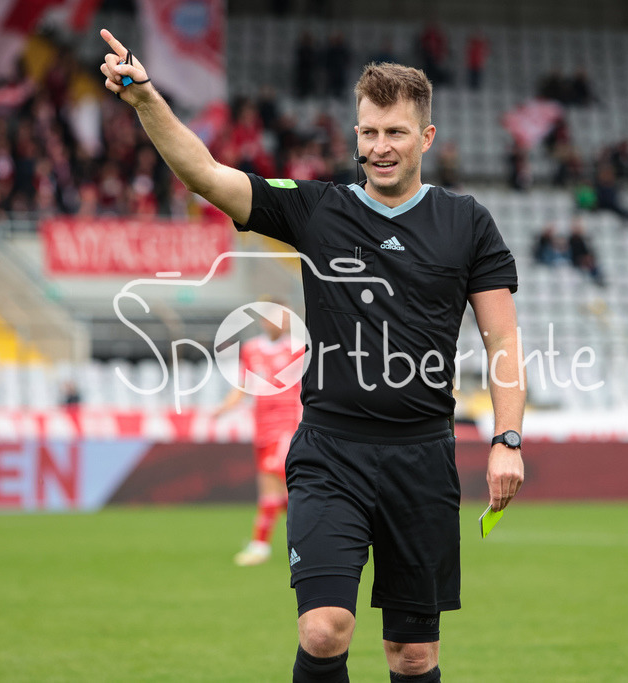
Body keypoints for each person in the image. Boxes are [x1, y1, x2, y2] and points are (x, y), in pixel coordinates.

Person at [100, 30, 525, 682]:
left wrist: (508, 437)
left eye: (396, 133)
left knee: (412, 655)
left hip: (423, 459)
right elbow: (206, 175)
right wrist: (147, 99)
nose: (380, 147)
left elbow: (503, 342)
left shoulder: (467, 223)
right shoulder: (317, 209)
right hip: (332, 453)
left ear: (427, 138)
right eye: (369, 132)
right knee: (325, 628)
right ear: (355, 134)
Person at [214, 299, 303, 566]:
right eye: (277, 318)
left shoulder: (299, 349)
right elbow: (244, 385)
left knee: (277, 478)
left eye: (286, 318)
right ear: (264, 321)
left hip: (288, 424)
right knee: (276, 488)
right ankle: (287, 540)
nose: (283, 323)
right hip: (262, 424)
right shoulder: (252, 349)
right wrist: (224, 408)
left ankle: (264, 545)